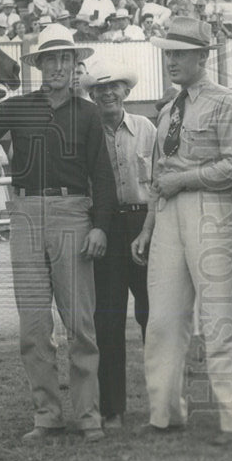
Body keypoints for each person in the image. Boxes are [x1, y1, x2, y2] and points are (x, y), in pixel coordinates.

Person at [0, 23, 115, 442]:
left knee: (80, 323)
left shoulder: (89, 114)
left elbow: (104, 178)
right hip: (23, 214)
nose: (57, 66)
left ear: (75, 64)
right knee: (34, 326)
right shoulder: (19, 107)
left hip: (73, 215)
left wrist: (102, 228)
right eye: (49, 59)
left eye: (64, 58)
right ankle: (46, 416)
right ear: (38, 65)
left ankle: (88, 414)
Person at [130, 17, 232, 445]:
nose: (171, 61)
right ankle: (164, 415)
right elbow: (159, 175)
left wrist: (185, 179)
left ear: (204, 57)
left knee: (221, 316)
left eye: (180, 53)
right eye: (168, 53)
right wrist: (148, 227)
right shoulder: (168, 111)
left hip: (216, 211)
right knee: (162, 318)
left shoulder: (227, 105)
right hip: (168, 215)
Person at [79, 59, 155, 430]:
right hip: (104, 226)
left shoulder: (146, 129)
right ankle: (113, 410)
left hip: (144, 223)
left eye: (115, 87)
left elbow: (160, 182)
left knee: (152, 316)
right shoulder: (87, 132)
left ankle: (164, 403)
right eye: (100, 89)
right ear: (92, 95)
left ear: (127, 91)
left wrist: (152, 229)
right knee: (107, 320)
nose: (108, 93)